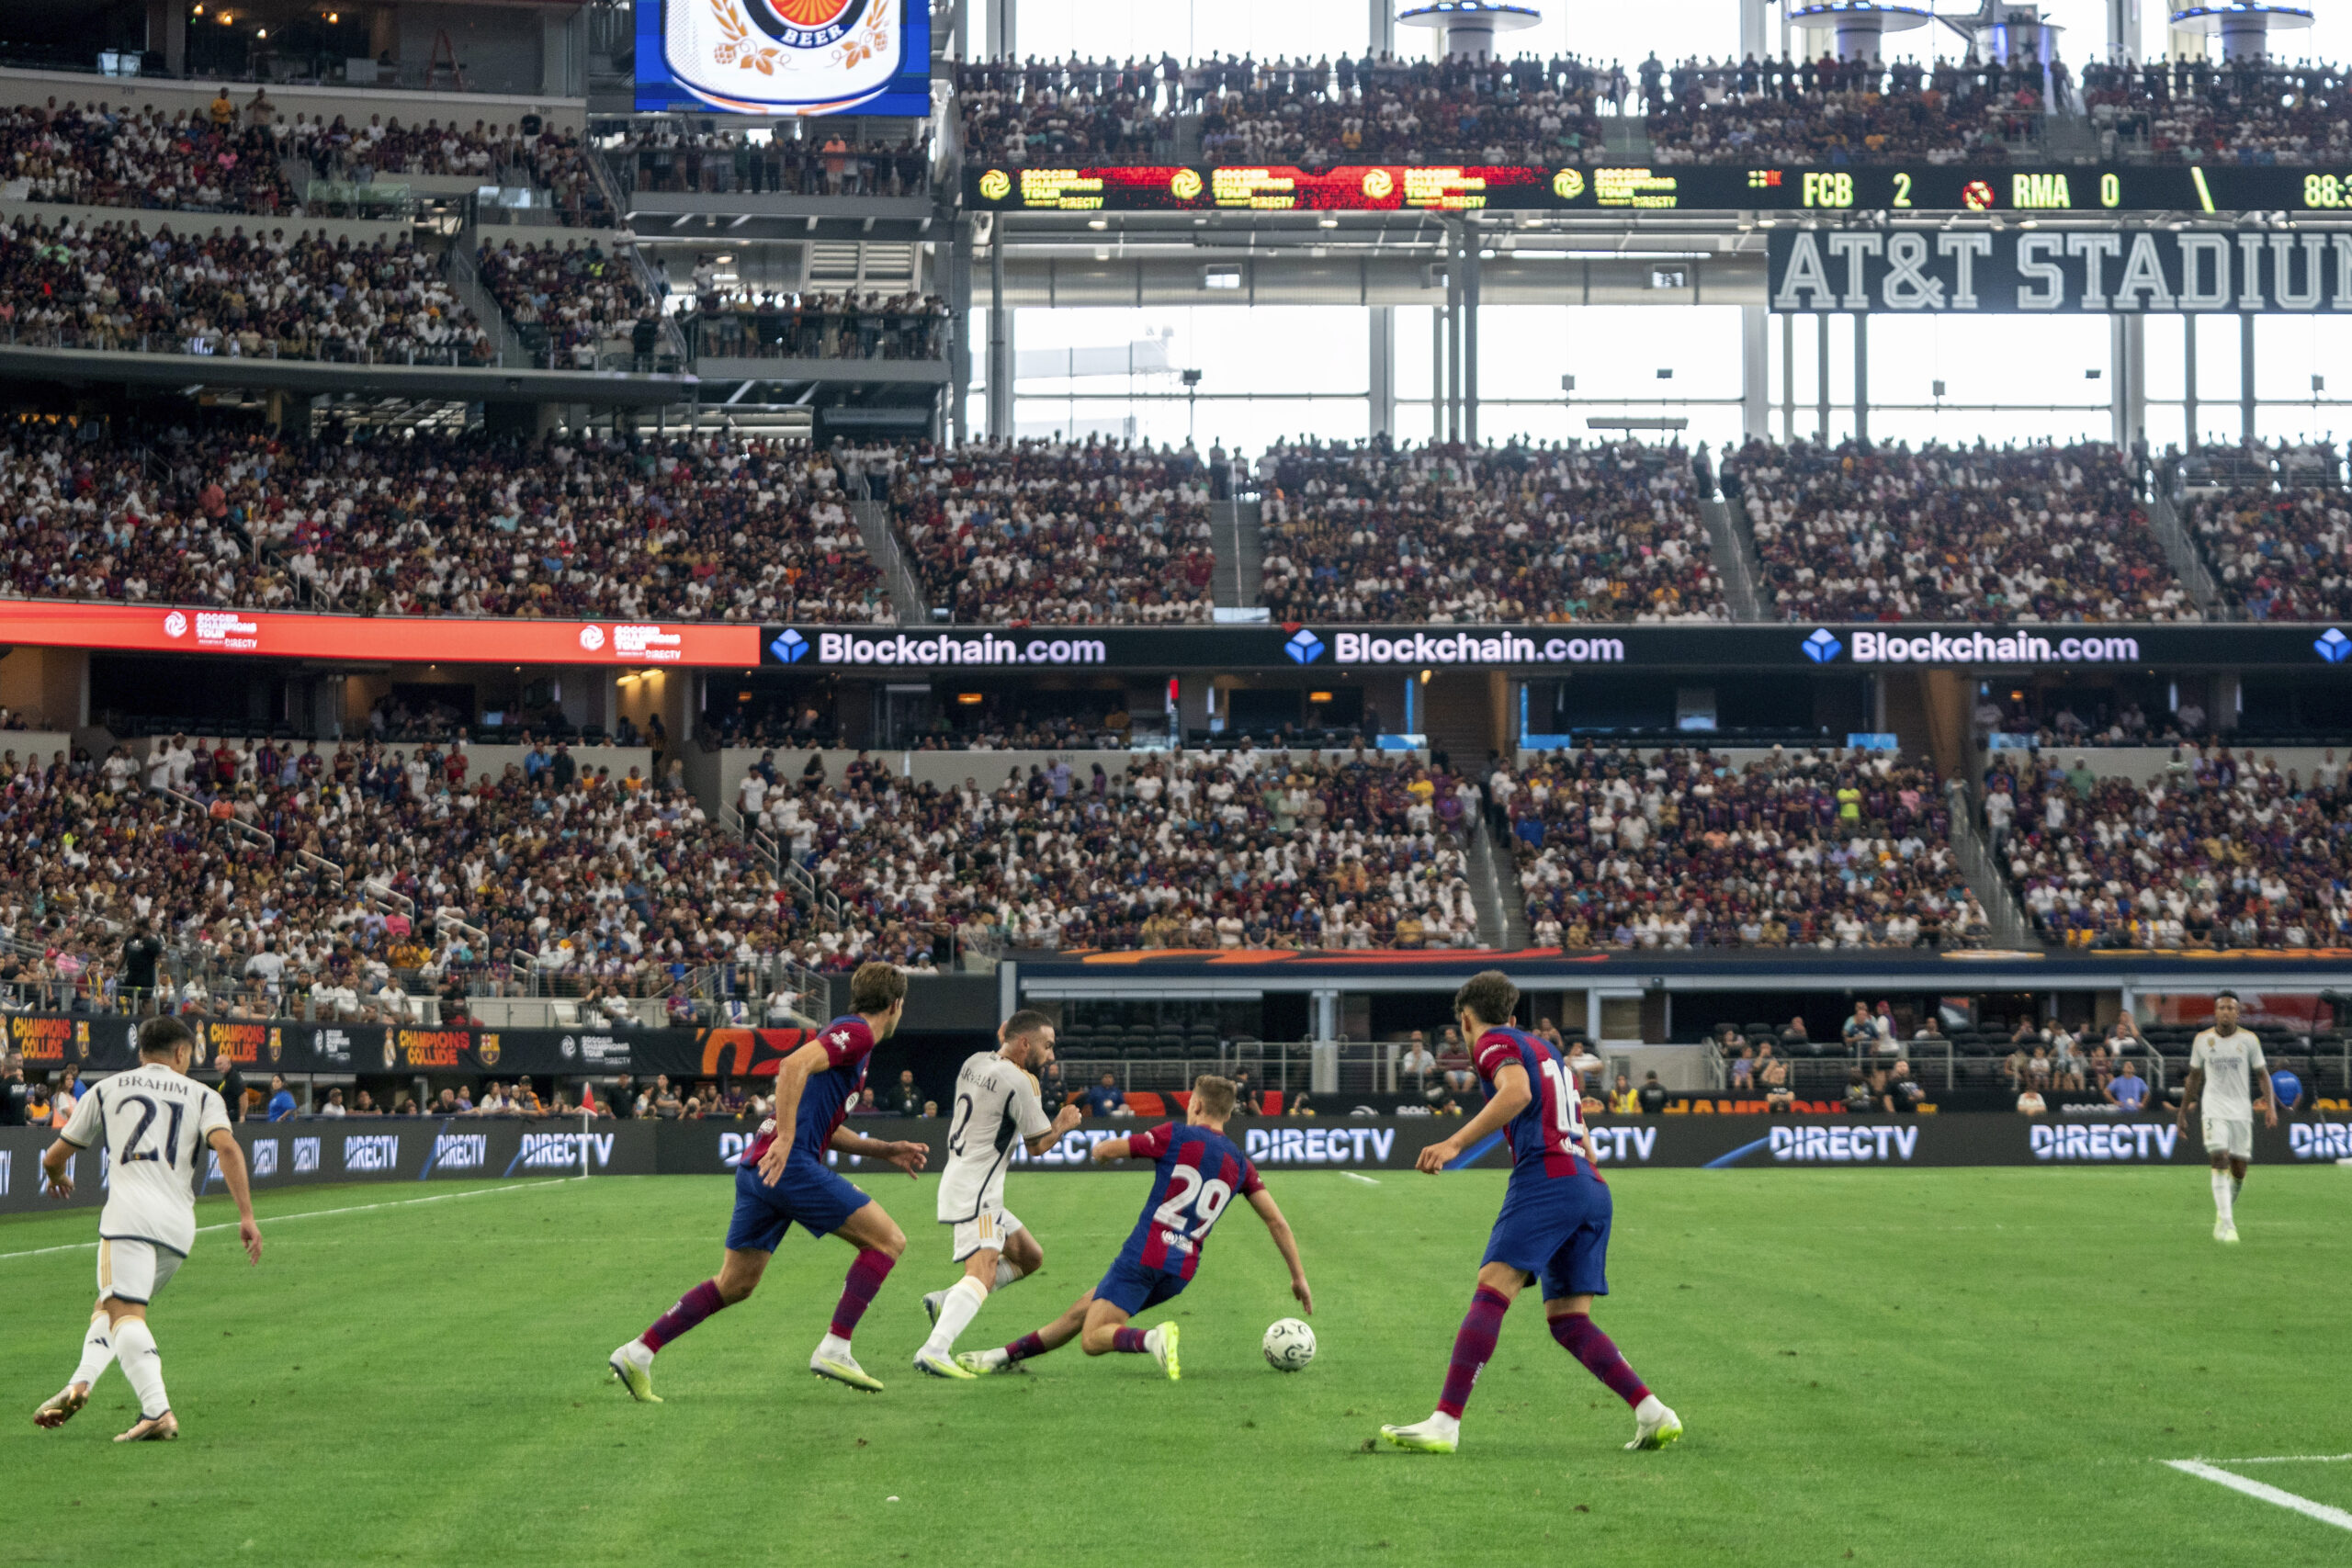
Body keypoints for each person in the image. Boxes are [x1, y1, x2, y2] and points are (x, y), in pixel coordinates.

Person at [1379, 970, 1679, 1456]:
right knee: (1568, 1320)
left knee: (1492, 1288)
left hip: (1547, 1180)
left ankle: (1445, 1421)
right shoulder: (1547, 1051)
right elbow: (1581, 1134)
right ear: (1515, 1016)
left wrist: (1454, 1141)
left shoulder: (1492, 1042)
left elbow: (1515, 1093)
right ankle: (1652, 1412)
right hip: (1589, 1185)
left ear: (1467, 1019)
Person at [607, 962, 929, 1400]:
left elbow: (826, 1127)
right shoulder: (857, 1034)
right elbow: (791, 1065)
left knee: (735, 1284)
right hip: (787, 1164)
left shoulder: (848, 1037)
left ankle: (638, 1352)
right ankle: (836, 1347)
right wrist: (789, 1138)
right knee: (888, 1241)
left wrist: (884, 1148)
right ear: (896, 1005)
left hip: (760, 1168)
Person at [956, 1075, 1309, 1381]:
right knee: (1082, 1311)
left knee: (1093, 1339)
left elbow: (1110, 1149)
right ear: (1229, 1113)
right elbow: (1276, 1221)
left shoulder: (1176, 1135)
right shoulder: (1240, 1163)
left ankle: (1151, 1340)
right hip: (1180, 1271)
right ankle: (999, 1357)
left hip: (1145, 1255)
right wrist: (1298, 1278)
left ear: (1196, 1105)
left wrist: (1101, 1153)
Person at [34, 1016, 262, 1439]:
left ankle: (157, 1410)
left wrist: (56, 1177)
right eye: (191, 1054)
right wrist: (246, 1216)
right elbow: (227, 1147)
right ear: (180, 1052)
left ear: (141, 1052)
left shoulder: (106, 1088)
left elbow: (53, 1156)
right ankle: (80, 1382)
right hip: (177, 1227)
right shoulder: (203, 1095)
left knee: (124, 1312)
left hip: (128, 1219)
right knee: (113, 1307)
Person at [908, 1010, 1084, 1380]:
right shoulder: (1021, 1082)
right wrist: (1063, 1124)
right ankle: (934, 1349)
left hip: (963, 1177)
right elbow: (1038, 1146)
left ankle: (946, 1301)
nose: (1050, 1056)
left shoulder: (974, 1061)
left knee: (1029, 1256)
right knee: (983, 1273)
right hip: (978, 1190)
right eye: (1047, 1046)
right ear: (1025, 1043)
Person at [2178, 992, 2278, 1245]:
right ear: (2215, 1012)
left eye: (2230, 1008)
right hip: (2213, 1108)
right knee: (2219, 1156)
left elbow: (2263, 1075)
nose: (2225, 1011)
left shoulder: (2249, 1040)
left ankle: (2222, 1215)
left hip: (2241, 1110)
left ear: (2238, 1012)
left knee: (2239, 1170)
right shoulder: (2202, 1040)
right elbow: (2194, 1077)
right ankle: (2229, 1224)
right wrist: (2182, 1111)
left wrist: (2271, 1107)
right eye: (2221, 1007)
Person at [119, 919, 163, 1015]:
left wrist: (160, 971)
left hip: (146, 975)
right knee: (129, 997)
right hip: (131, 974)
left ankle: (151, 1021)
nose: (133, 929)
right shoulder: (130, 939)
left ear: (141, 928)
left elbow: (159, 958)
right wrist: (116, 970)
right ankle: (140, 1017)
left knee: (146, 999)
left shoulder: (152, 942)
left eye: (135, 927)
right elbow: (123, 955)